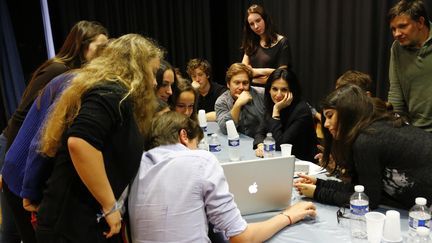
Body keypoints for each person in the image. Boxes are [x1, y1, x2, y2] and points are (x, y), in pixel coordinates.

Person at [34, 34, 163, 243]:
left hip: (84, 220)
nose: (154, 81)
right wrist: (109, 205)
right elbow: (80, 143)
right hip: (70, 224)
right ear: (137, 68)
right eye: (153, 72)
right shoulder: (110, 94)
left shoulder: (116, 96)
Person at [128, 111, 317, 242]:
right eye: (197, 143)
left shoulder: (135, 164)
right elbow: (243, 238)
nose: (197, 149)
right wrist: (289, 216)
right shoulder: (199, 160)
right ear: (184, 136)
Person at [0, 20, 108, 243]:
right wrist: (13, 164)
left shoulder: (76, 74)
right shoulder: (60, 70)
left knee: (13, 228)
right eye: (100, 47)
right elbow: (24, 116)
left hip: (23, 149)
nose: (105, 54)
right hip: (16, 145)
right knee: (18, 228)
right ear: (81, 45)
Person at [295, 84, 432, 210]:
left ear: (347, 113)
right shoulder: (372, 131)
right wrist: (320, 184)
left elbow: (368, 201)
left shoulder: (366, 140)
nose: (326, 124)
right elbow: (361, 189)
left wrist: (317, 192)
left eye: (330, 116)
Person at [253, 68, 317, 161]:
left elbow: (280, 145)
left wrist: (276, 112)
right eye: (275, 89)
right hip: (280, 161)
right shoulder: (270, 104)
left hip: (302, 164)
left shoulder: (302, 110)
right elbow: (260, 132)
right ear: (269, 90)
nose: (278, 95)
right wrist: (261, 145)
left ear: (292, 91)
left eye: (284, 90)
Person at [387, 0, 432, 132]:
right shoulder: (397, 48)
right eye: (393, 29)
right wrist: (395, 127)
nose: (396, 34)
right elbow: (395, 93)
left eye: (402, 26)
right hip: (416, 131)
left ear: (420, 22)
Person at [241, 4, 292, 86]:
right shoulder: (251, 42)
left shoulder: (282, 42)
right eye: (251, 24)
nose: (256, 26)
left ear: (265, 19)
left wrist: (255, 72)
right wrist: (269, 72)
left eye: (258, 20)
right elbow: (242, 72)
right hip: (251, 90)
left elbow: (281, 75)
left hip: (273, 92)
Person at [215, 63, 265, 138]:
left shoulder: (262, 94)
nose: (241, 87)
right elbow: (225, 129)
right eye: (237, 83)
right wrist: (238, 104)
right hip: (237, 144)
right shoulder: (222, 102)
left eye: (245, 83)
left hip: (261, 142)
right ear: (228, 84)